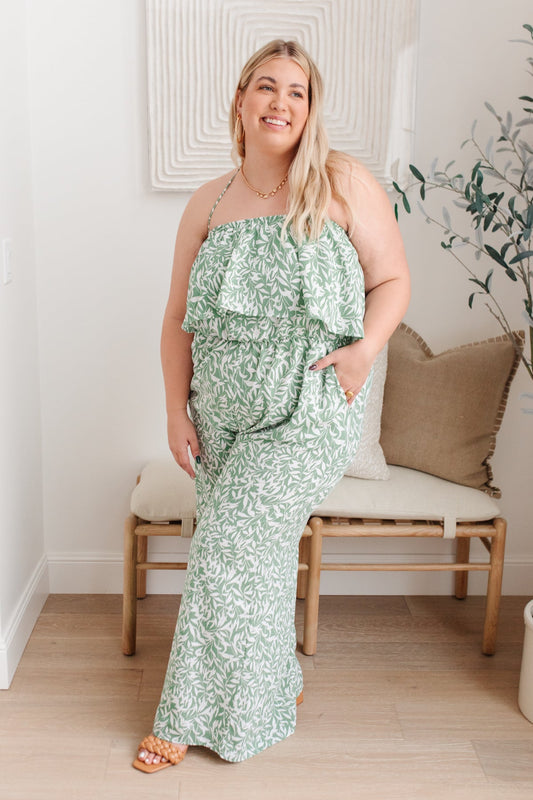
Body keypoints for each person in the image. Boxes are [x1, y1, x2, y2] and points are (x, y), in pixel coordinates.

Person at [133, 39, 410, 772]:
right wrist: (175, 410)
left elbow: (393, 279)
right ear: (240, 100)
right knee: (254, 560)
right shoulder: (208, 202)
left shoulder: (341, 182)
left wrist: (363, 350)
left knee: (226, 553)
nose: (280, 103)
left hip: (306, 414)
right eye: (266, 86)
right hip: (218, 418)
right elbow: (177, 319)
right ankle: (276, 683)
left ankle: (182, 717)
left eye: (296, 91)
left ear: (310, 109)